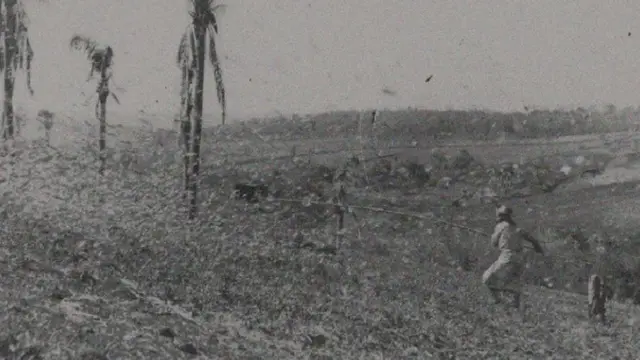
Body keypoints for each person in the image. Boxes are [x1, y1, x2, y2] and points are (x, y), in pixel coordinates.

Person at [482, 205, 544, 311]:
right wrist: (539, 250)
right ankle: (515, 306)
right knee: (513, 282)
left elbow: (494, 243)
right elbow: (533, 241)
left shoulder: (501, 226)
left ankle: (496, 301)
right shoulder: (518, 229)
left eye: (499, 216)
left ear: (502, 216)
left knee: (486, 279)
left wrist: (498, 236)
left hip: (506, 257)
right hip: (519, 259)